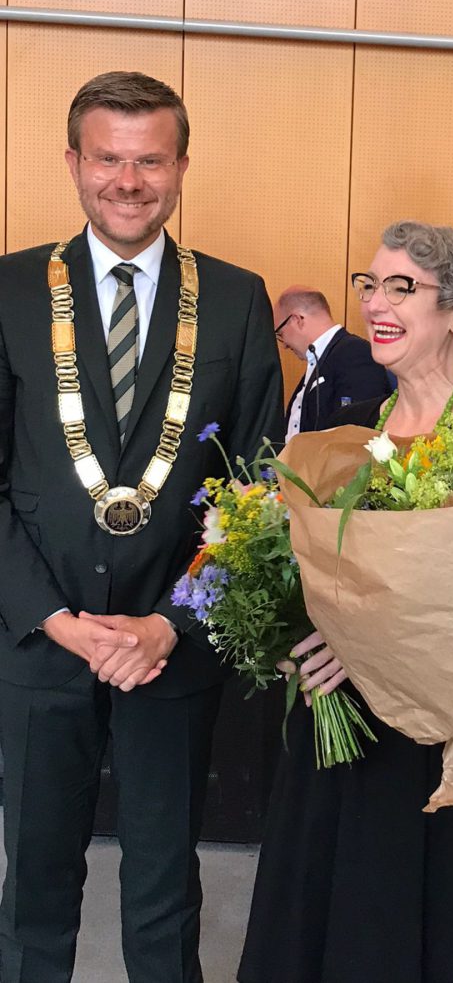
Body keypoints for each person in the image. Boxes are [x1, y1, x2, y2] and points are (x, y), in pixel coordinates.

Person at [238, 222, 453, 983]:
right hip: (352, 752)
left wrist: (372, 639)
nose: (376, 303)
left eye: (402, 287)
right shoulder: (342, 434)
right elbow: (307, 581)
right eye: (369, 284)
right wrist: (295, 628)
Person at [0, 71, 283, 983]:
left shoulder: (238, 301)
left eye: (150, 160)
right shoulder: (7, 292)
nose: (129, 181)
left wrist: (170, 622)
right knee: (35, 884)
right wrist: (55, 618)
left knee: (165, 887)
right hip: (42, 645)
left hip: (171, 645)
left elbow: (257, 490)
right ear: (74, 162)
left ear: (182, 165)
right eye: (109, 159)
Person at [276, 284, 391, 440]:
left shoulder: (355, 353)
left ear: (297, 320)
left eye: (281, 333)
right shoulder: (320, 360)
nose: (284, 344)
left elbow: (357, 432)